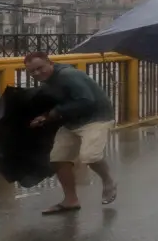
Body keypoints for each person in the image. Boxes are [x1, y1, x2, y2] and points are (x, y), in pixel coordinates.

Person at [24, 52, 118, 214]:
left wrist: (54, 113)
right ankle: (70, 200)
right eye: (32, 72)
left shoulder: (68, 75)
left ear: (50, 63)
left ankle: (108, 180)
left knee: (90, 156)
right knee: (58, 158)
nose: (37, 73)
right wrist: (44, 117)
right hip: (72, 122)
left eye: (40, 68)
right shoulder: (48, 83)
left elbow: (86, 100)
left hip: (96, 118)